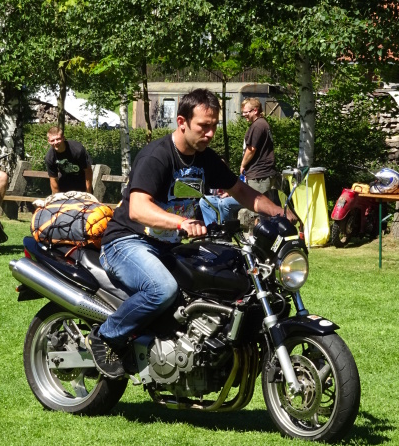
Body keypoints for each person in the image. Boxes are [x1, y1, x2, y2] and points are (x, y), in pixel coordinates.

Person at [85, 88, 296, 378]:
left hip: (167, 245)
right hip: (127, 242)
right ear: (182, 122)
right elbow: (138, 208)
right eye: (204, 126)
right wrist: (181, 222)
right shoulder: (157, 156)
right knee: (162, 290)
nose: (210, 134)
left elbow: (241, 191)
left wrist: (279, 213)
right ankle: (105, 336)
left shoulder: (204, 159)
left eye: (214, 126)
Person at [239, 98, 279, 203]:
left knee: (258, 207)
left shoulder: (258, 126)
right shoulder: (262, 124)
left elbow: (251, 149)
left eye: (246, 112)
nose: (244, 115)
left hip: (260, 176)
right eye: (243, 112)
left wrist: (243, 165)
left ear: (255, 110)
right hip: (262, 174)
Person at [45, 127, 93, 194]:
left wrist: (88, 192)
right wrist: (56, 197)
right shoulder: (50, 157)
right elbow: (53, 179)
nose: (55, 142)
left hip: (82, 182)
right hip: (64, 184)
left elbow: (88, 171)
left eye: (58, 139)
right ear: (49, 141)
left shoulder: (77, 150)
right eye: (52, 140)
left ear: (63, 138)